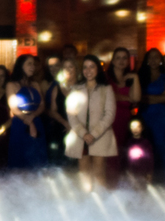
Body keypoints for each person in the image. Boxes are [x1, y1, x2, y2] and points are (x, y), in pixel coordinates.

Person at [65, 55, 117, 192]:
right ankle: (86, 204)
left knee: (99, 173)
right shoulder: (76, 88)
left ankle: (101, 203)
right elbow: (71, 113)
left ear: (98, 69)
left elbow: (110, 114)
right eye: (85, 67)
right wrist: (83, 133)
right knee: (84, 174)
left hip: (100, 136)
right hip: (80, 136)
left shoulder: (106, 88)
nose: (88, 70)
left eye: (92, 66)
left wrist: (93, 134)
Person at [138, 48, 165, 183]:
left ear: (161, 60)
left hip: (161, 118)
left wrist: (146, 98)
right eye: (150, 57)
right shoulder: (141, 77)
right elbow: (137, 98)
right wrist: (157, 97)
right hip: (144, 116)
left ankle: (164, 181)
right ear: (147, 60)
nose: (153, 60)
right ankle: (145, 180)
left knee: (161, 147)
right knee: (144, 148)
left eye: (156, 57)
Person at [6, 54, 48, 170]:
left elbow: (42, 105)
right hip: (20, 123)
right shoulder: (11, 85)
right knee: (21, 159)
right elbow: (14, 108)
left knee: (37, 160)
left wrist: (33, 117)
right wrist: (29, 122)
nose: (33, 67)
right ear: (21, 66)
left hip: (36, 120)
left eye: (33, 64)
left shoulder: (35, 84)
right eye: (29, 64)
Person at [107, 47, 142, 171]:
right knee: (110, 149)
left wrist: (135, 78)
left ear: (128, 61)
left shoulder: (131, 77)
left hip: (125, 118)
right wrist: (127, 98)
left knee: (122, 149)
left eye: (124, 58)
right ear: (113, 61)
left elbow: (136, 98)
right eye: (118, 58)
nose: (121, 61)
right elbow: (109, 97)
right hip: (110, 118)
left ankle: (118, 177)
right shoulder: (106, 78)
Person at [44, 59, 74, 166]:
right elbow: (53, 110)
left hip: (78, 130)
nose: (68, 70)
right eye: (65, 67)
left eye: (71, 66)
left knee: (75, 165)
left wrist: (73, 126)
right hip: (59, 129)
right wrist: (66, 124)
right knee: (57, 164)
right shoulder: (57, 88)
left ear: (76, 69)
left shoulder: (82, 88)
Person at [124, 118, 155, 187]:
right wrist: (127, 172)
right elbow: (126, 159)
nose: (135, 129)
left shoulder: (146, 143)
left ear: (142, 128)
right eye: (133, 126)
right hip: (132, 173)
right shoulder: (128, 143)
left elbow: (150, 160)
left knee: (142, 191)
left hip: (143, 173)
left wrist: (149, 174)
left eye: (138, 126)